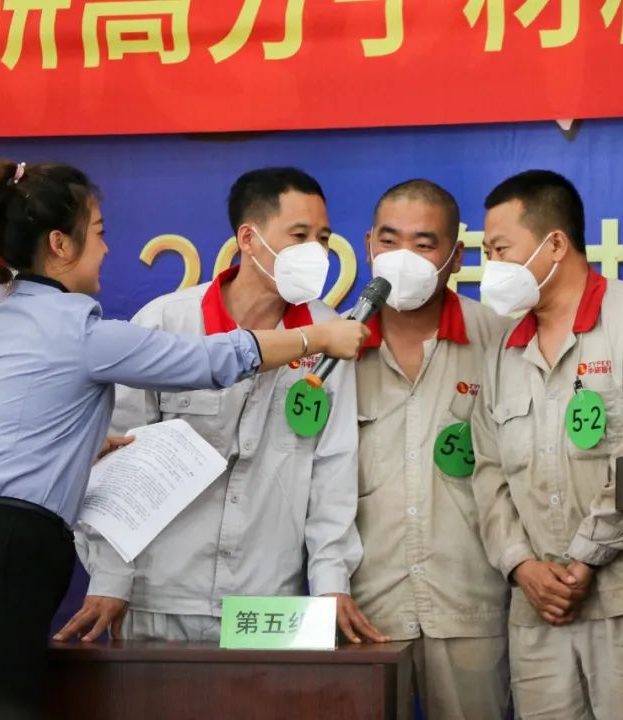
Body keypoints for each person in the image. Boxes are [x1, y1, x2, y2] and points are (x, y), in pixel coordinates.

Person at [0, 161, 369, 712]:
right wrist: (317, 338)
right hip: (8, 562)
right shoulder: (89, 331)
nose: (106, 249)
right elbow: (215, 359)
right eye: (99, 232)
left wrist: (73, 450)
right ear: (60, 244)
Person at [58, 167, 382, 644]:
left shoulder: (330, 335)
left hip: (267, 600)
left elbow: (332, 467)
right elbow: (115, 461)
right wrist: (109, 577)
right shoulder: (167, 322)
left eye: (323, 239)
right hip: (160, 592)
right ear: (248, 239)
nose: (315, 252)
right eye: (299, 236)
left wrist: (331, 580)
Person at [471, 170, 623, 720]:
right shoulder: (504, 350)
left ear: (555, 244)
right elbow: (487, 473)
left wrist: (583, 559)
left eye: (501, 250)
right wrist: (521, 565)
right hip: (538, 607)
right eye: (488, 254)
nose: (493, 267)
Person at [351, 180, 511, 719]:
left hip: (473, 609)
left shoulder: (502, 340)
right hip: (365, 613)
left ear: (456, 257)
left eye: (423, 245)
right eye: (389, 241)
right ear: (368, 245)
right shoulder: (333, 349)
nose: (403, 258)